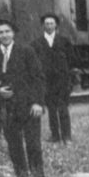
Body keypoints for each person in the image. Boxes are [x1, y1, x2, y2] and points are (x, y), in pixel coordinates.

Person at [0, 19, 47, 177]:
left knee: (33, 147)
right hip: (7, 111)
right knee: (15, 148)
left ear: (13, 33)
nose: (4, 35)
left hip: (28, 108)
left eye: (7, 31)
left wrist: (38, 103)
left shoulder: (26, 51)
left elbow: (38, 78)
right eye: (0, 32)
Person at [31, 13, 77, 143]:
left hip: (62, 81)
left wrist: (70, 76)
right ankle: (55, 135)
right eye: (46, 24)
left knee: (63, 108)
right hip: (47, 81)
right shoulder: (36, 43)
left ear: (56, 25)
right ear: (43, 26)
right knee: (51, 108)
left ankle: (66, 136)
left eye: (51, 23)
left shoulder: (64, 41)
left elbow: (72, 60)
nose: (49, 26)